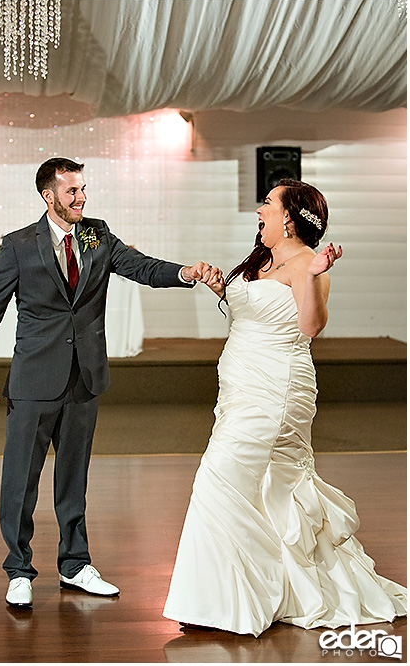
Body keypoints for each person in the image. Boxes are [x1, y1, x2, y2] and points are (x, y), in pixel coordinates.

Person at [0, 157, 217, 607]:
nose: (81, 198)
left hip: (85, 378)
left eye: (83, 190)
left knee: (73, 478)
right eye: (72, 192)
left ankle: (75, 564)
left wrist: (185, 273)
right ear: (50, 196)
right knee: (20, 480)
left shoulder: (96, 232)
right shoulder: (19, 245)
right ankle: (18, 569)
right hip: (33, 380)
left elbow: (140, 267)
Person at [163, 179, 407, 636]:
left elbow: (309, 327)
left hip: (276, 390)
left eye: (268, 204)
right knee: (265, 489)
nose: (260, 210)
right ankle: (259, 592)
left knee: (219, 478)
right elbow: (253, 311)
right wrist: (222, 288)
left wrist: (313, 276)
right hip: (239, 388)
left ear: (290, 217)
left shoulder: (306, 264)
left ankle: (222, 602)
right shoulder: (260, 259)